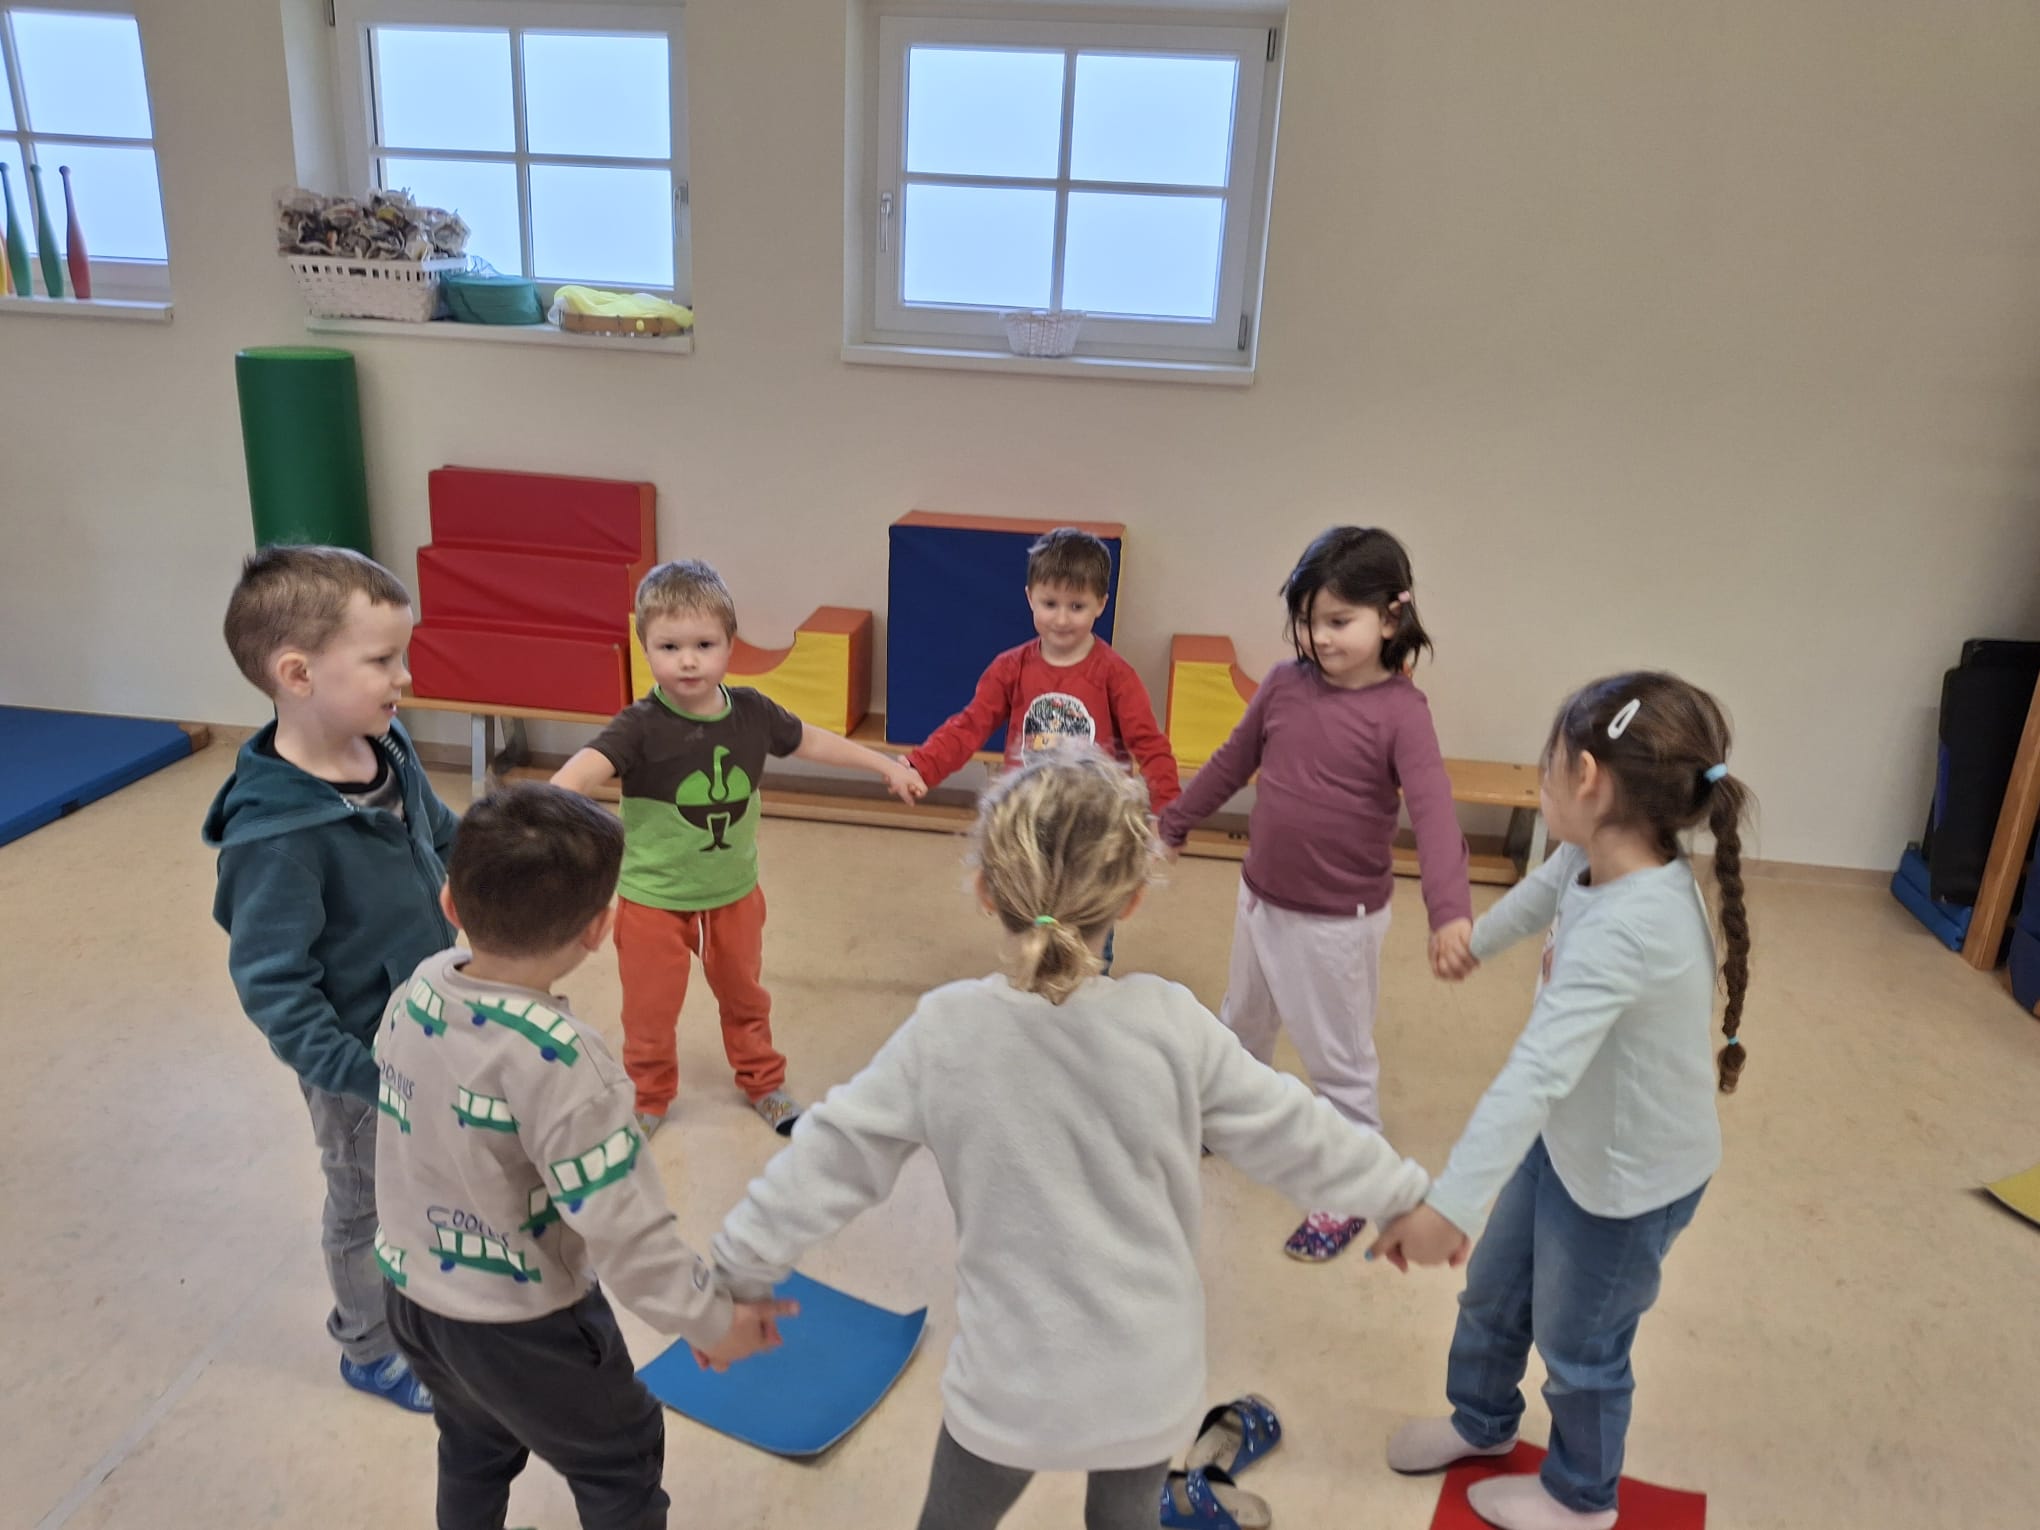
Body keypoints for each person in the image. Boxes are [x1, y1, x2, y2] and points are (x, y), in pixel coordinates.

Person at [710, 747, 1442, 1530]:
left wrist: (737, 1274)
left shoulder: (947, 1031)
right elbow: (1294, 1130)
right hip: (1145, 1389)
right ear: (1131, 898)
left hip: (1008, 1393)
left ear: (986, 890)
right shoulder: (1171, 1025)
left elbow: (829, 1159)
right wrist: (1402, 1198)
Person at [1376, 672, 1753, 1530]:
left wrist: (1449, 1204)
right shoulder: (1596, 856)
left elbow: (1534, 1072)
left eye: (1545, 766)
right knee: (1495, 1294)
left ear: (1587, 778)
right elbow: (1545, 892)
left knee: (1581, 1347)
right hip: (1571, 1139)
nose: (1539, 780)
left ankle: (1583, 1498)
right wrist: (1477, 942)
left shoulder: (1633, 927)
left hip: (1628, 1183)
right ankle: (1481, 1420)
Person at [375, 784, 794, 1530]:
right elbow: (626, 1231)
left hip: (413, 1298)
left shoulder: (419, 988)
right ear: (602, 929)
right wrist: (708, 1319)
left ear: (450, 901)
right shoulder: (567, 1063)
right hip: (522, 1323)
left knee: (472, 1444)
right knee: (619, 1460)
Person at [1160, 526, 1472, 1261]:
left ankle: (1352, 1181)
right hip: (1260, 898)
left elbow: (1434, 814)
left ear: (1391, 617)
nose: (1320, 637)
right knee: (1241, 1025)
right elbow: (1230, 762)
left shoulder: (1402, 713)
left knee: (1338, 1060)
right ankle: (1226, 1117)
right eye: (1308, 620)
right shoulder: (1283, 685)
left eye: (1338, 620)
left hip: (1337, 923)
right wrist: (1172, 823)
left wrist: (1450, 913)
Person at [204, 544, 460, 1412]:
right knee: (365, 1201)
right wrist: (363, 1076)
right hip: (358, 1064)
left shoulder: (384, 745)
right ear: (297, 674)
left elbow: (440, 834)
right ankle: (369, 1346)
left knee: (422, 1174)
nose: (405, 677)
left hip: (428, 1020)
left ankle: (423, 1289)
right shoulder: (276, 836)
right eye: (383, 659)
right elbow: (275, 987)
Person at [552, 559, 924, 1138]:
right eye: (669, 646)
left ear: (730, 644)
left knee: (746, 997)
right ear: (646, 649)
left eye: (704, 645)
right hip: (653, 901)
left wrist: (884, 765)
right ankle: (648, 1098)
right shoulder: (638, 726)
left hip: (734, 896)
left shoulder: (752, 712)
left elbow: (813, 741)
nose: (688, 660)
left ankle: (763, 1082)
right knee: (649, 1012)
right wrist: (538, 812)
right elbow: (583, 770)